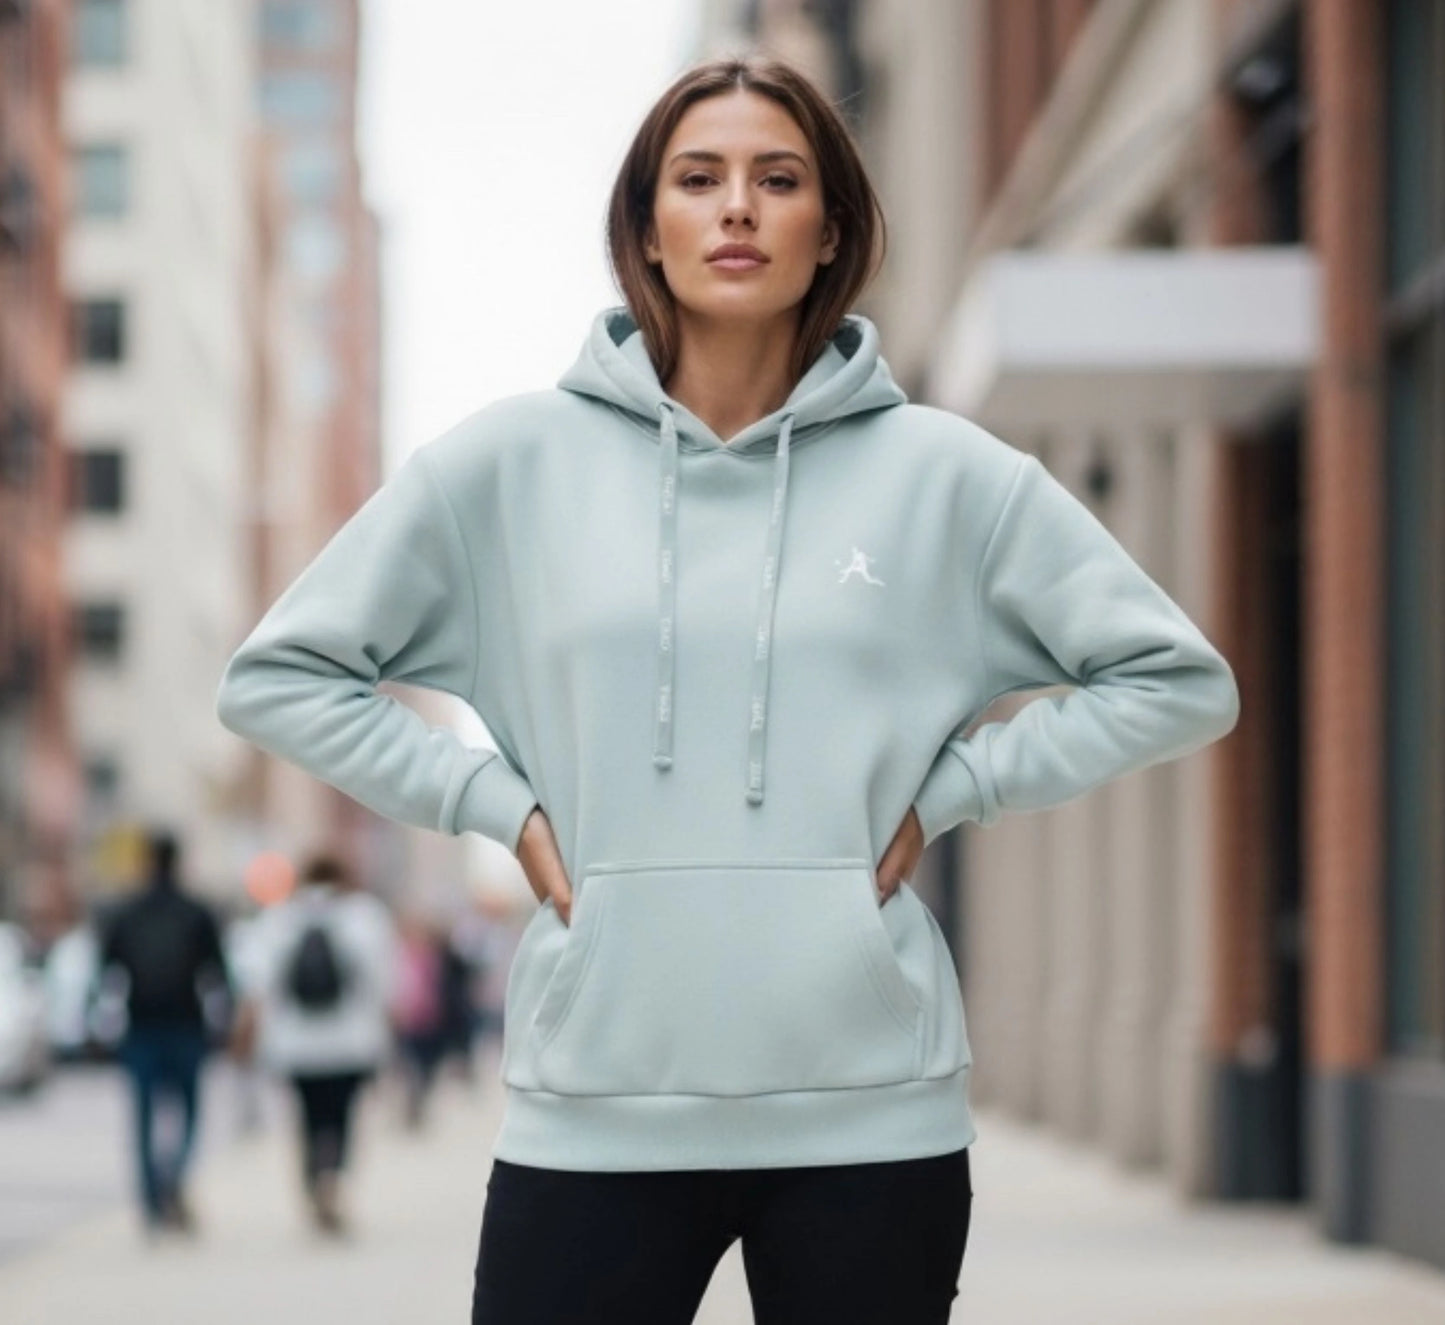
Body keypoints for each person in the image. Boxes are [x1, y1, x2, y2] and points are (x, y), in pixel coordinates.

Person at [215, 53, 1241, 1325]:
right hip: (594, 1108)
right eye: (697, 179)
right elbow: (280, 674)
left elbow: (1176, 678)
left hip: (870, 1116)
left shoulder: (947, 477)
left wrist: (962, 784)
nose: (738, 207)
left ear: (831, 232)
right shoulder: (506, 468)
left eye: (778, 179)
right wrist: (495, 805)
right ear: (646, 229)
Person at [231, 851, 398, 1236]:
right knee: (343, 1118)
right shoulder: (365, 915)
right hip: (352, 1042)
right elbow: (384, 983)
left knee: (307, 1119)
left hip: (296, 1045)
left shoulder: (280, 918)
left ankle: (313, 1180)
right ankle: (334, 1178)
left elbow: (256, 982)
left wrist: (247, 1035)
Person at [98, 829, 231, 1236]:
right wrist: (226, 1020)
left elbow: (104, 972)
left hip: (140, 1025)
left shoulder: (124, 911)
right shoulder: (197, 911)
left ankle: (152, 1201)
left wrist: (97, 1021)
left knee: (143, 1117)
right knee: (189, 1112)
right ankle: (174, 1174)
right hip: (187, 1024)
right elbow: (219, 974)